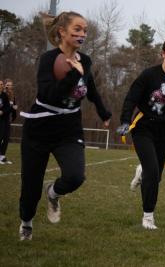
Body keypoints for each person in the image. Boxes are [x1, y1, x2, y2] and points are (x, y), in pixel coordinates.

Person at [18, 11, 112, 241]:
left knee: (75, 176)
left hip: (68, 129)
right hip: (39, 129)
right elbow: (48, 94)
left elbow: (90, 89)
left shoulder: (86, 61)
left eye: (85, 31)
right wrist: (71, 76)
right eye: (78, 29)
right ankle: (26, 223)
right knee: (30, 186)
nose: (82, 34)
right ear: (62, 32)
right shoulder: (48, 60)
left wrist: (103, 112)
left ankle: (53, 193)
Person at [117, 37, 165, 230]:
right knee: (152, 171)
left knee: (155, 176)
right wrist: (125, 120)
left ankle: (141, 171)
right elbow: (132, 97)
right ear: (163, 53)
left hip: (164, 130)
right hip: (143, 127)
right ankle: (148, 216)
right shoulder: (149, 75)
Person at [0, 79, 18, 164]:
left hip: (7, 119)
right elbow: (6, 108)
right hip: (1, 119)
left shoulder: (12, 96)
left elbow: (13, 107)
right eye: (8, 85)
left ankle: (2, 156)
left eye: (11, 85)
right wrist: (11, 108)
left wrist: (14, 114)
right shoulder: (3, 95)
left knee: (6, 138)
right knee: (1, 137)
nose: (10, 86)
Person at [0, 80, 12, 164]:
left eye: (1, 84)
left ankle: (2, 157)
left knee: (6, 138)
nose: (1, 85)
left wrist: (2, 112)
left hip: (4, 119)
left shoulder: (4, 96)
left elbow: (8, 108)